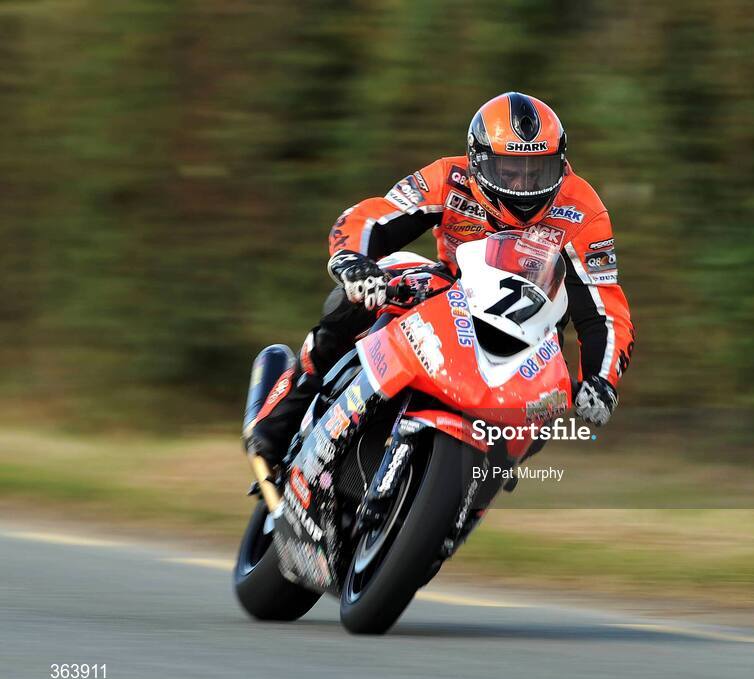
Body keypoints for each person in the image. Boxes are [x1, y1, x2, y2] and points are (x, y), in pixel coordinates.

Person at [247, 92, 635, 466]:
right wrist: (353, 259)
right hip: (449, 293)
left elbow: (603, 306)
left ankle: (461, 506)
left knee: (546, 410)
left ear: (561, 163)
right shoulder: (448, 177)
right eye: (509, 170)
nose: (523, 185)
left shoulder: (583, 209)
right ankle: (285, 410)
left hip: (531, 332)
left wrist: (601, 380)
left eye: (539, 170)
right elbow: (380, 214)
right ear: (478, 160)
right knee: (354, 300)